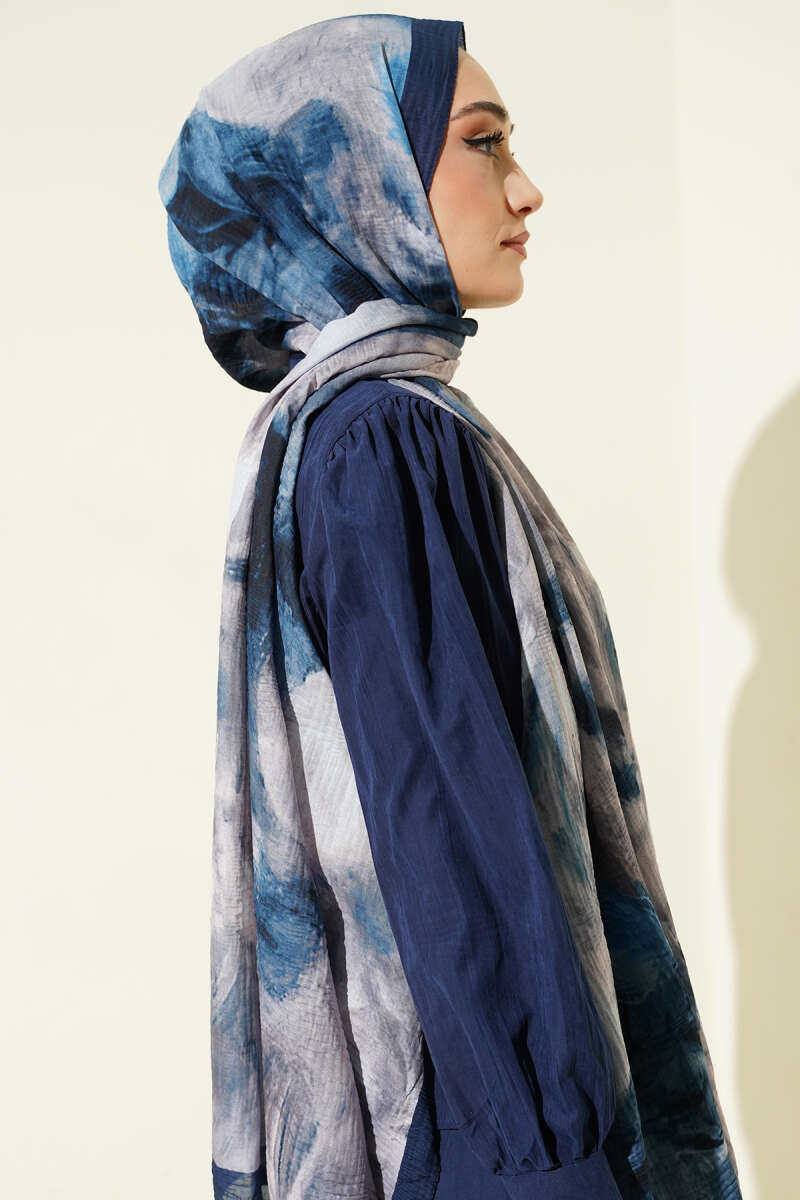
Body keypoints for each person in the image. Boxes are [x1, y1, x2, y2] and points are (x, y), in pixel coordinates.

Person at [157, 14, 742, 1200]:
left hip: (477, 1108)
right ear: (353, 180)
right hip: (499, 1133)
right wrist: (552, 1154)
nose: (525, 189)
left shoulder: (350, 434)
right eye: (482, 142)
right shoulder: (384, 442)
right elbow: (449, 830)